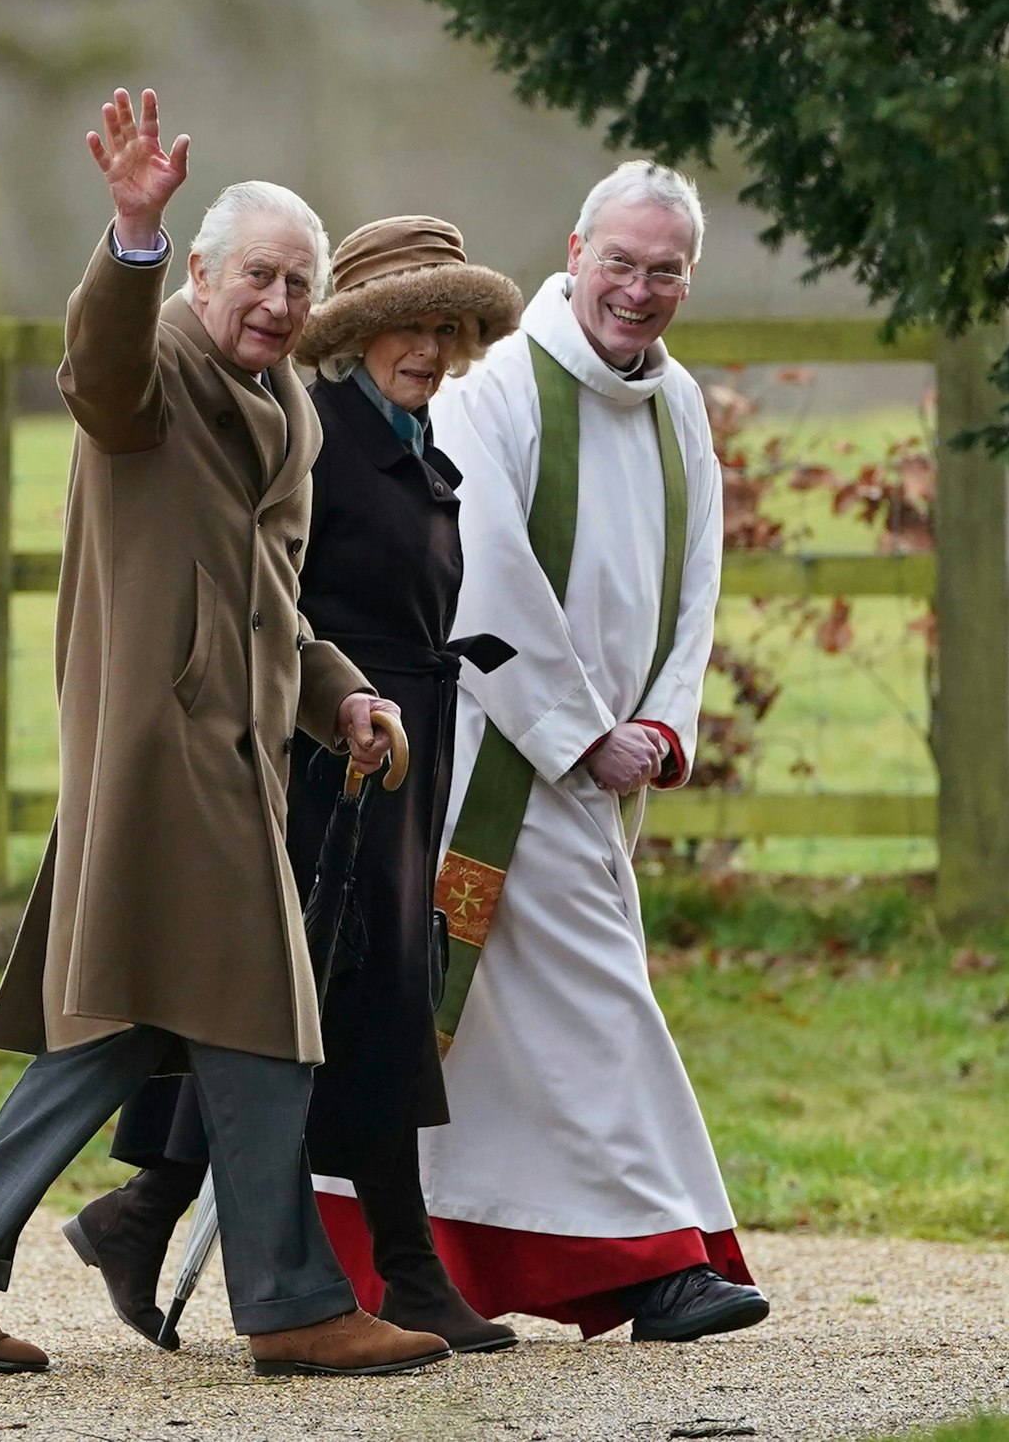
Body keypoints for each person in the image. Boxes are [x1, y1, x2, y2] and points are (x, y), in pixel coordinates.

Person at [0, 89, 450, 1380]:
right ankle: (291, 1303)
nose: (279, 303)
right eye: (258, 276)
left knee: (133, 1026)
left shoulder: (287, 404)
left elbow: (271, 603)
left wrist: (341, 696)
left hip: (239, 754)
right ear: (200, 276)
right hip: (162, 754)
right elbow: (97, 370)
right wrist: (129, 236)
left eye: (298, 284)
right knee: (267, 1021)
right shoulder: (159, 367)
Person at [324, 161, 772, 1343]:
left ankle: (381, 1258)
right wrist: (580, 735)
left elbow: (697, 578)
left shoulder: (677, 404)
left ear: (687, 280)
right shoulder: (500, 387)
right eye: (618, 262)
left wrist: (661, 726)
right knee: (594, 1000)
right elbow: (481, 575)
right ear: (575, 253)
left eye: (663, 270)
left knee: (485, 1038)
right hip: (495, 757)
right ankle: (658, 1262)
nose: (637, 289)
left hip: (607, 765)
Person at [63, 216, 525, 1356]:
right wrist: (324, 707)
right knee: (315, 1001)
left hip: (392, 739)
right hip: (316, 759)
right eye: (408, 325)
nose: (430, 347)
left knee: (339, 1000)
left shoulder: (409, 436)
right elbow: (267, 594)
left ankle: (143, 1214)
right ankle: (392, 1269)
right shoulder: (317, 430)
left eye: (448, 328)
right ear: (356, 333)